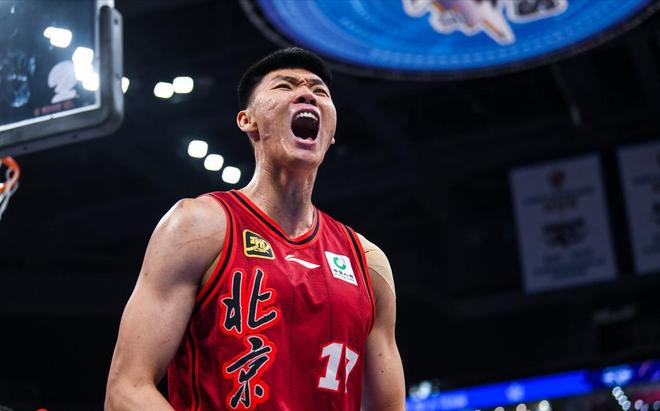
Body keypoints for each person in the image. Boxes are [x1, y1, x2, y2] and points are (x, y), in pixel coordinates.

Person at [105, 47, 405, 411]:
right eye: (285, 86)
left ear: (331, 134)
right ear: (248, 120)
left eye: (319, 91)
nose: (307, 94)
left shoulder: (368, 264)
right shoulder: (199, 225)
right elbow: (127, 389)